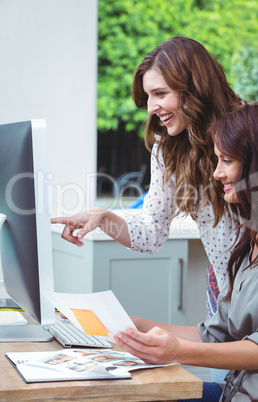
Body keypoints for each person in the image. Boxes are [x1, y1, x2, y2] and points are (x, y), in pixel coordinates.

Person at [52, 37, 242, 380]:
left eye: (160, 93)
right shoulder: (167, 149)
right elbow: (152, 233)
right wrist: (104, 217)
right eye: (148, 97)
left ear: (194, 87)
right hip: (224, 300)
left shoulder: (248, 134)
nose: (151, 107)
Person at [113, 102, 258, 401]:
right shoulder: (250, 238)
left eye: (226, 161)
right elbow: (215, 333)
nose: (216, 173)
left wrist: (178, 351)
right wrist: (131, 327)